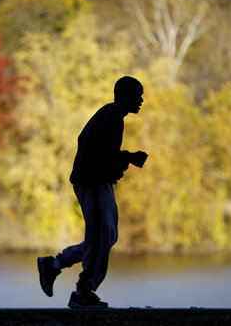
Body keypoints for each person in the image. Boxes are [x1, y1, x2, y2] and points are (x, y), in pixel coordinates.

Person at [37, 76, 148, 309]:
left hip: (97, 181)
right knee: (100, 238)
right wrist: (128, 158)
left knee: (107, 236)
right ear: (125, 96)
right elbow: (101, 154)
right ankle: (83, 292)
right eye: (138, 95)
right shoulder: (112, 116)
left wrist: (123, 160)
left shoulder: (111, 115)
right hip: (92, 182)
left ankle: (54, 265)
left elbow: (92, 147)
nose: (141, 100)